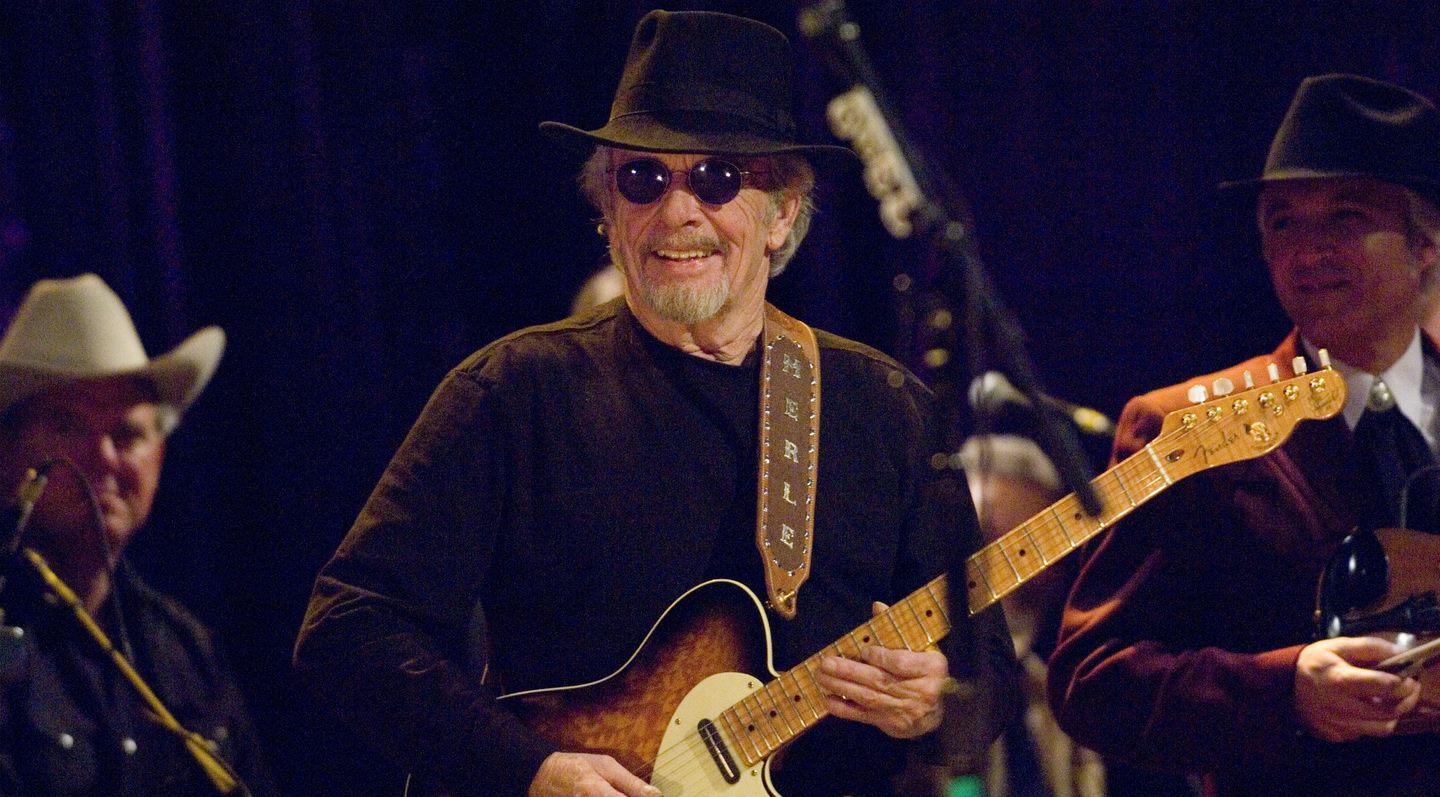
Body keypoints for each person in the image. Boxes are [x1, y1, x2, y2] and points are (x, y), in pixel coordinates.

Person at [294, 10, 1018, 797]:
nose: (677, 212)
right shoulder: (512, 391)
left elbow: (990, 681)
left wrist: (935, 705)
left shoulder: (884, 408)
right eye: (643, 179)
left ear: (781, 213)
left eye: (717, 179)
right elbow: (348, 628)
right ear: (607, 212)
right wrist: (528, 768)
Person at [1047, 73, 1440, 796]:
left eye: (1346, 216)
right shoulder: (1185, 428)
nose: (1308, 250)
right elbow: (1092, 679)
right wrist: (1284, 689)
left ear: (1427, 245)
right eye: (1283, 223)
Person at [0, 274, 275, 796]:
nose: (104, 458)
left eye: (127, 434)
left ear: (160, 455)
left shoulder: (184, 647)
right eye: (67, 426)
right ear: (5, 451)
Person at [959, 436, 1104, 797]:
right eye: (990, 537)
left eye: (1035, 543)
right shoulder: (919, 691)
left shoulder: (1062, 688)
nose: (1016, 565)